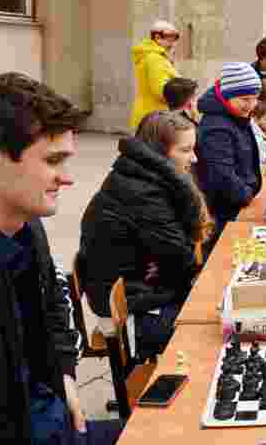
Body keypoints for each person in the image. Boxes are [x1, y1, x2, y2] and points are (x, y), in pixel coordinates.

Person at [0, 73, 124, 444]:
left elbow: (56, 298)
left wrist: (64, 372)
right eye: (53, 160)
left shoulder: (24, 224)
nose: (66, 178)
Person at [77, 111, 207, 360]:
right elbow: (182, 257)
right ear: (160, 152)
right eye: (186, 150)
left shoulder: (144, 178)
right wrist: (166, 265)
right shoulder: (142, 192)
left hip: (142, 292)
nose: (194, 158)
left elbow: (176, 254)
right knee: (207, 331)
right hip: (130, 315)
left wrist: (163, 265)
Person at [196, 62, 262, 244]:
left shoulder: (235, 116)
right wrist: (245, 193)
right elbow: (222, 175)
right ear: (226, 96)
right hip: (226, 211)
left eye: (254, 98)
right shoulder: (217, 127)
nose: (251, 105)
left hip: (237, 203)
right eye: (245, 99)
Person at [130, 20, 180, 131]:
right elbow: (161, 91)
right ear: (157, 37)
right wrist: (183, 96)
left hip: (147, 114)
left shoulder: (148, 55)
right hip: (156, 117)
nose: (173, 42)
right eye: (169, 37)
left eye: (175, 37)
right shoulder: (155, 59)